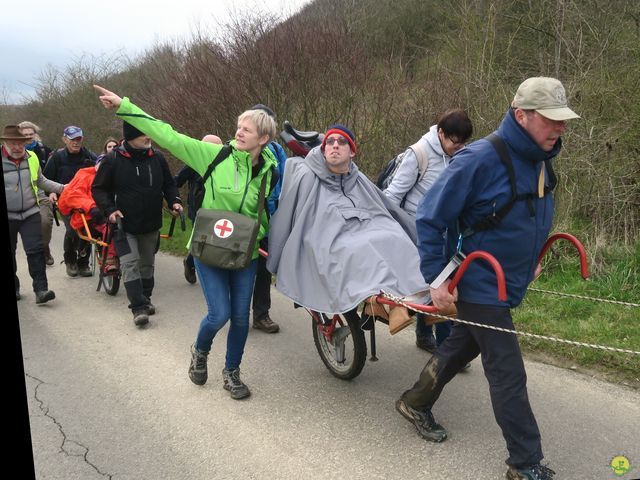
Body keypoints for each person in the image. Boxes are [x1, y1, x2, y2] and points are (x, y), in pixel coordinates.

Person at [395, 77, 580, 480]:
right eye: (552, 119)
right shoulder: (479, 158)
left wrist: (532, 257)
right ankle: (524, 462)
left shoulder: (542, 157)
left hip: (511, 279)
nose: (560, 127)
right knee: (507, 369)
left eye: (563, 119)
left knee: (462, 346)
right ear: (522, 115)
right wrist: (438, 280)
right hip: (480, 279)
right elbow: (430, 218)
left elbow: (533, 213)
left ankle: (414, 401)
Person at [93, 84, 278, 400]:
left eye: (247, 129)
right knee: (219, 314)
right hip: (210, 246)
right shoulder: (214, 154)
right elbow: (168, 135)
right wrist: (125, 105)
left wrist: (268, 240)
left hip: (245, 252)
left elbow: (266, 210)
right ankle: (200, 351)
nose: (239, 132)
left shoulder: (271, 168)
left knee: (239, 318)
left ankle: (231, 373)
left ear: (263, 138)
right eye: (238, 127)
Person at [266, 124, 428, 330]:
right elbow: (292, 213)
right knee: (360, 248)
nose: (335, 146)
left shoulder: (357, 177)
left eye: (341, 142)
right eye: (330, 142)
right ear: (323, 149)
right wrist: (278, 253)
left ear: (352, 151)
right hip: (326, 234)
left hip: (365, 225)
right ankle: (378, 301)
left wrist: (410, 230)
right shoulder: (307, 175)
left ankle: (421, 297)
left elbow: (382, 205)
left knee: (396, 236)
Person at [383, 109, 473, 353]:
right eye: (455, 141)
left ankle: (437, 341)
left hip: (448, 230)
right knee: (434, 282)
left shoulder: (463, 155)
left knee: (447, 284)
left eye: (464, 142)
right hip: (416, 229)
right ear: (441, 133)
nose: (459, 147)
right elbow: (392, 196)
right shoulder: (419, 154)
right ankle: (439, 344)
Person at [92, 120, 183, 327]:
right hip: (124, 225)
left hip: (151, 223)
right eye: (144, 134)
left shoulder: (157, 158)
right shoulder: (113, 159)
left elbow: (169, 184)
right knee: (129, 264)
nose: (148, 138)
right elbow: (98, 189)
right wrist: (109, 210)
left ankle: (146, 299)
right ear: (131, 137)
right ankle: (138, 308)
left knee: (147, 265)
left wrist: (175, 201)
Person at [2, 125, 64, 303]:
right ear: (5, 143)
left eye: (20, 143)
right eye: (13, 143)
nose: (17, 147)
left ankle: (41, 290)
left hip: (30, 212)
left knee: (35, 250)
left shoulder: (32, 157)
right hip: (9, 214)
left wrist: (63, 188)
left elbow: (41, 181)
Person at [250, 103, 287, 334]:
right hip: (243, 220)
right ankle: (236, 313)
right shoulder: (239, 149)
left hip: (269, 217)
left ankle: (261, 315)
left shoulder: (277, 151)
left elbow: (285, 179)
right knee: (238, 266)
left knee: (263, 268)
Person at [44, 126, 97, 277]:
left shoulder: (89, 156)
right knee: (73, 228)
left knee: (88, 228)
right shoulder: (56, 157)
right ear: (65, 139)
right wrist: (52, 192)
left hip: (85, 199)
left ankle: (83, 262)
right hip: (65, 200)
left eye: (78, 139)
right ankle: (70, 261)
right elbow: (46, 179)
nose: (76, 142)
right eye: (72, 139)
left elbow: (100, 169)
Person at [173, 134, 222, 285]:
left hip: (219, 211)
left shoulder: (225, 163)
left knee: (217, 243)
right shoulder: (192, 164)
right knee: (202, 242)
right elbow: (175, 182)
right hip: (198, 211)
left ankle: (213, 273)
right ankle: (191, 263)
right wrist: (174, 200)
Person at [56, 157, 117, 269]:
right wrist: (91, 206)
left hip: (105, 213)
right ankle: (74, 261)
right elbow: (72, 195)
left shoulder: (114, 176)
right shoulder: (84, 175)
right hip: (86, 215)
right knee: (73, 233)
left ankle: (86, 263)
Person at [18, 121, 55, 266]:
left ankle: (44, 247)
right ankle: (35, 252)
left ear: (35, 134)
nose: (28, 137)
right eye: (24, 135)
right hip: (19, 195)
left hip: (40, 193)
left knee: (45, 222)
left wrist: (55, 190)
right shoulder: (10, 153)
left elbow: (50, 174)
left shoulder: (45, 150)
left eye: (30, 134)